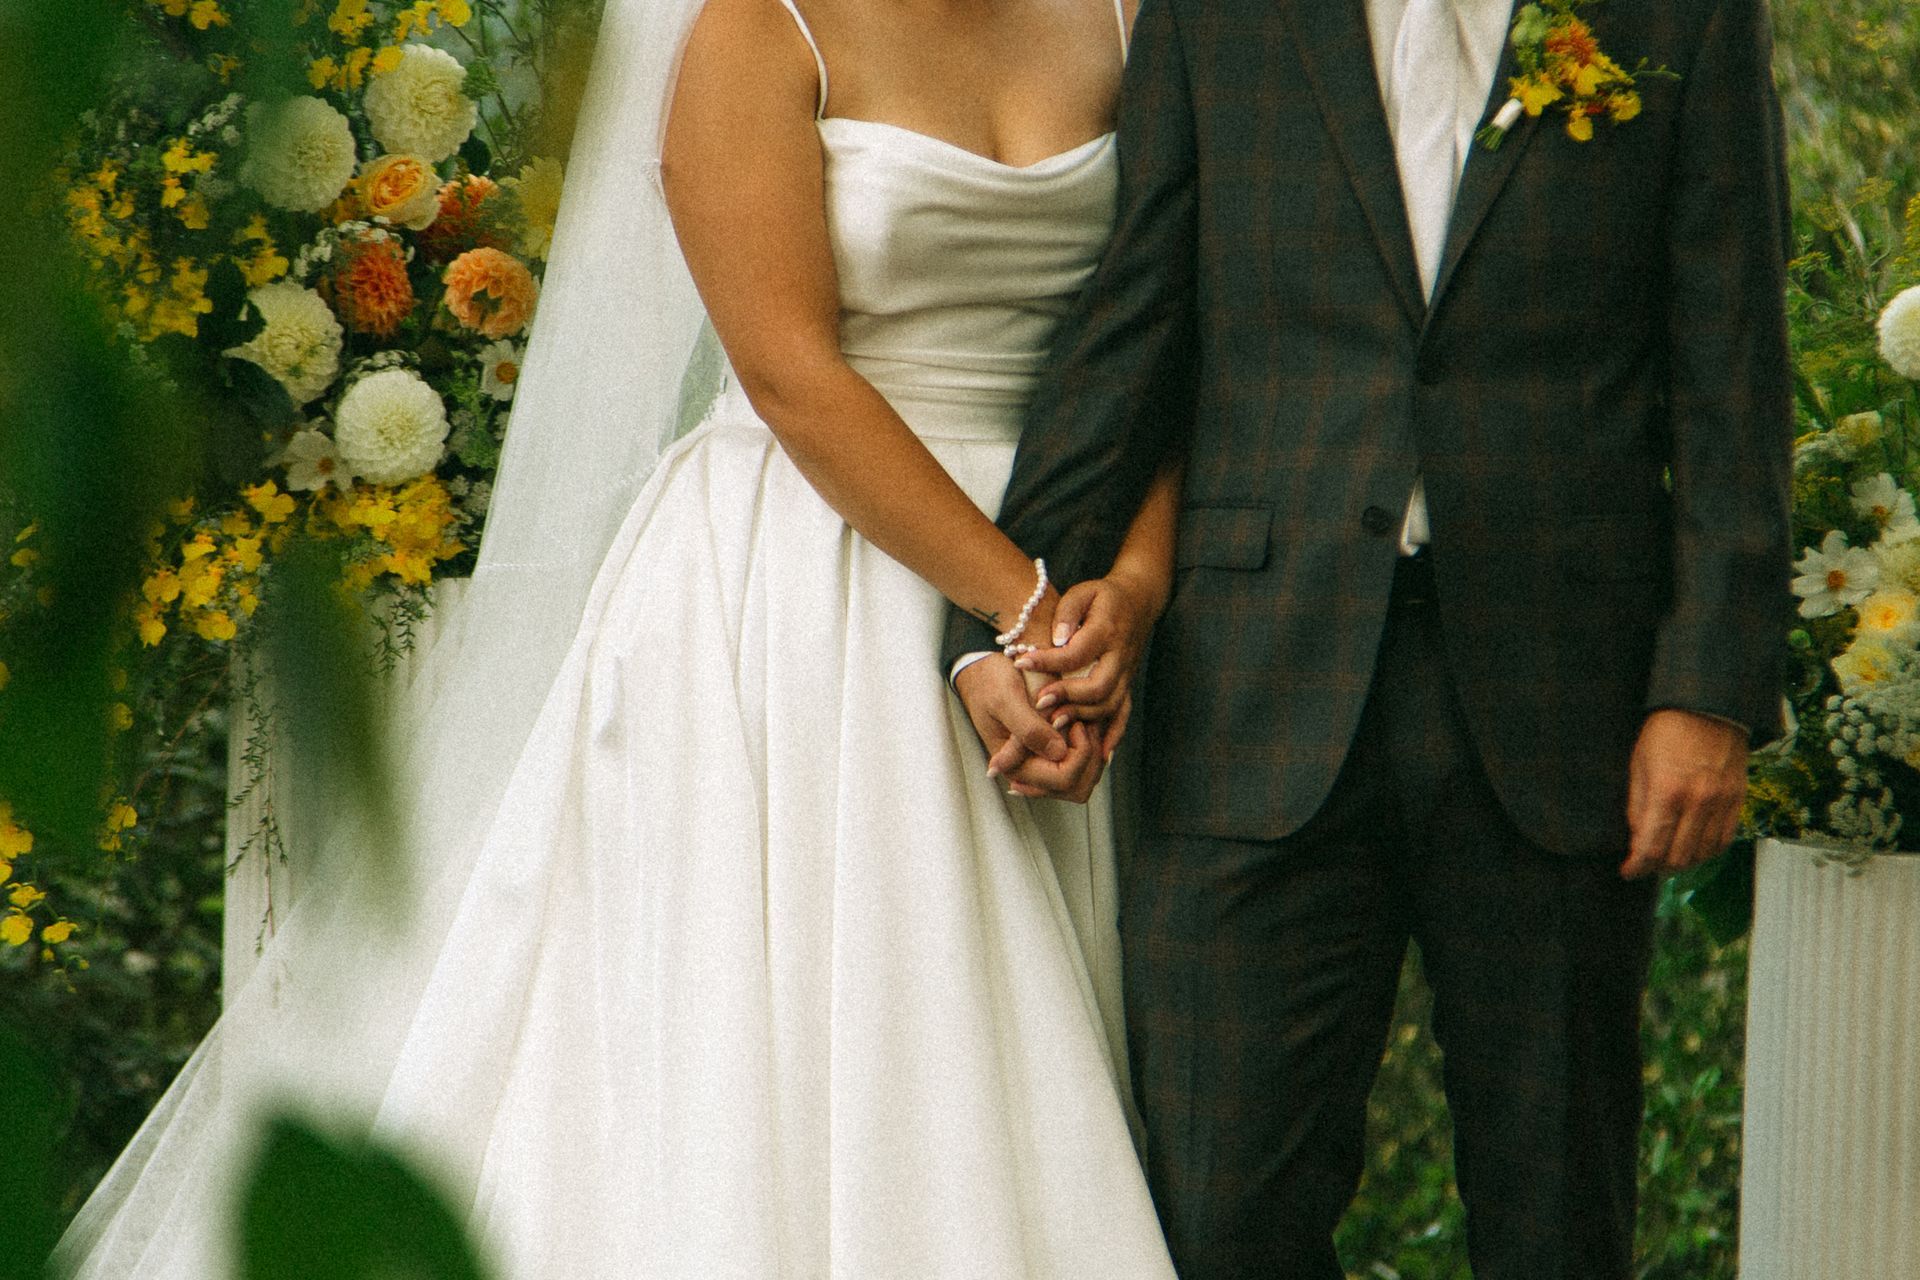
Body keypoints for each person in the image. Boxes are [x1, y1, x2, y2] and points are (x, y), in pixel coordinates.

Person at [53, 0, 1180, 1275]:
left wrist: (1125, 591)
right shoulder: (761, 30)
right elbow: (792, 374)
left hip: (1067, 568)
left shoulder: (1123, 16)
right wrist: (1014, 605)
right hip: (807, 584)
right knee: (804, 1035)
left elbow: (1170, 333)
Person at [946, 0, 1794, 1276]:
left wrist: (1711, 687)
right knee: (1217, 1215)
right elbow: (1139, 315)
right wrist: (993, 617)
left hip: (1565, 700)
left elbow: (1733, 359)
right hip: (1253, 685)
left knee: (1557, 1219)